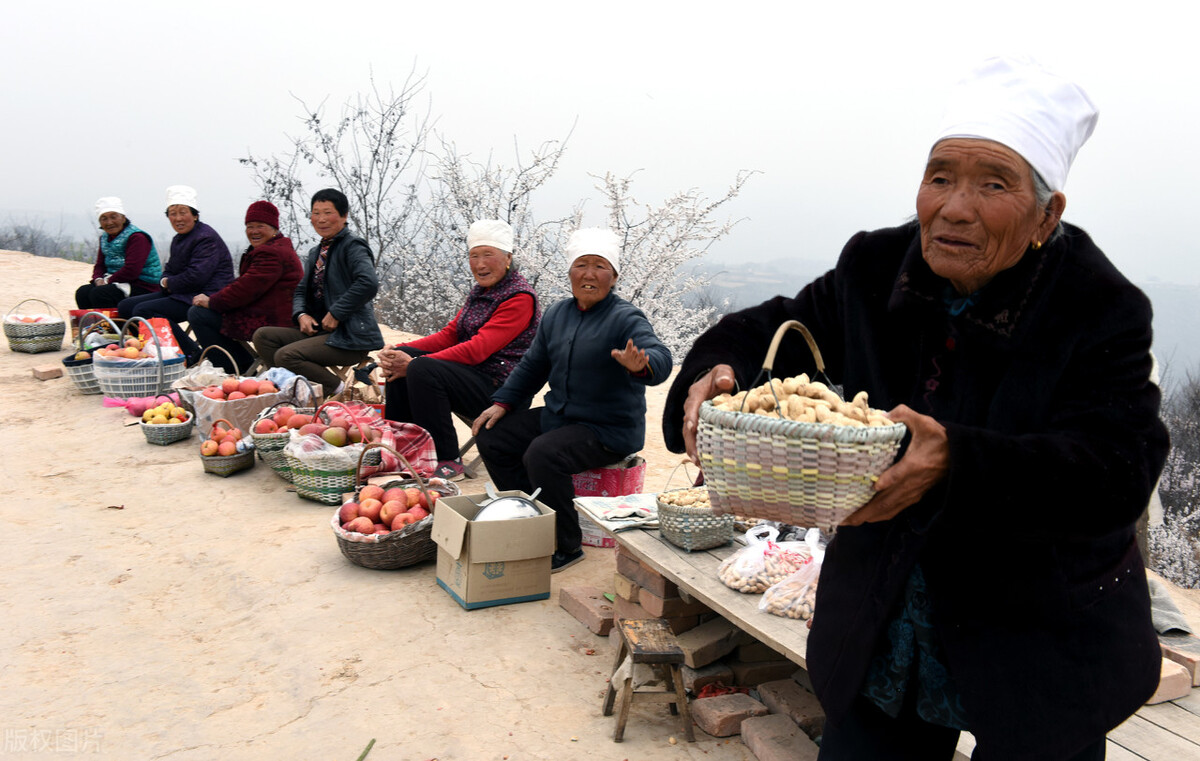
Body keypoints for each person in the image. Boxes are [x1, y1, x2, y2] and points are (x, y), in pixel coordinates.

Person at [664, 57, 1169, 761]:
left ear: (1047, 215)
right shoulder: (877, 268)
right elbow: (773, 329)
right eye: (940, 176)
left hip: (1040, 639)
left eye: (993, 184)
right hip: (885, 626)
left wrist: (960, 461)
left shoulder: (1098, 307)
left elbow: (1118, 468)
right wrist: (712, 372)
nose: (954, 207)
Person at [473, 228, 672, 573]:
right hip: (560, 416)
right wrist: (502, 402)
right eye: (582, 265)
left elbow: (659, 355)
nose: (590, 274)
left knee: (543, 453)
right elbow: (534, 364)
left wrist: (644, 364)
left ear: (614, 276)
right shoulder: (557, 314)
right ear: (570, 271)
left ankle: (565, 543)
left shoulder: (625, 317)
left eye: (600, 266)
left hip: (606, 428)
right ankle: (531, 516)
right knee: (492, 435)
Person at [378, 219, 540, 481]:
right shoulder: (481, 292)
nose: (480, 263)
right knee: (403, 363)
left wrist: (415, 363)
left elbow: (478, 349)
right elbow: (450, 335)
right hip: (471, 378)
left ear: (508, 258)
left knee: (420, 367)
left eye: (488, 255)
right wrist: (400, 349)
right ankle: (401, 446)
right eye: (474, 256)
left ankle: (446, 458)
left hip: (501, 391)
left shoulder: (519, 298)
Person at [252, 188, 384, 397]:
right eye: (316, 213)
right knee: (264, 336)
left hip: (350, 336)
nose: (321, 219)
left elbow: (368, 283)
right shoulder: (318, 251)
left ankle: (341, 391)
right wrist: (301, 314)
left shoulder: (353, 246)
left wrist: (336, 313)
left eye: (328, 212)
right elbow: (301, 290)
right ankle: (289, 389)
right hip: (323, 332)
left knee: (286, 356)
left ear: (344, 215)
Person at [187, 201, 304, 374]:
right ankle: (241, 364)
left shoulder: (272, 253)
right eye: (249, 226)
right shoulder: (274, 248)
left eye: (260, 226)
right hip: (265, 312)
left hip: (274, 320)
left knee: (199, 314)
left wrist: (212, 301)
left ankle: (236, 368)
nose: (254, 231)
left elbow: (245, 289)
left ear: (274, 229)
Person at [118, 185, 234, 355]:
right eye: (173, 213)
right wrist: (165, 281)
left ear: (194, 215)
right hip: (181, 292)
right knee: (125, 306)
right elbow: (169, 269)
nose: (178, 218)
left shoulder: (205, 238)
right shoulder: (179, 239)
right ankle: (153, 350)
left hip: (204, 294)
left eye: (183, 212)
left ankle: (189, 353)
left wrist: (167, 282)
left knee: (144, 310)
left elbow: (196, 277)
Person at [75, 196, 163, 309]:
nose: (109, 222)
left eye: (113, 217)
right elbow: (100, 265)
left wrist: (107, 280)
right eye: (104, 219)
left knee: (100, 294)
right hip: (115, 282)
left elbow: (132, 270)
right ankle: (90, 326)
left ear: (123, 218)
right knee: (82, 292)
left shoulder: (137, 237)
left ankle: (113, 326)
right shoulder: (104, 238)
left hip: (142, 285)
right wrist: (98, 279)